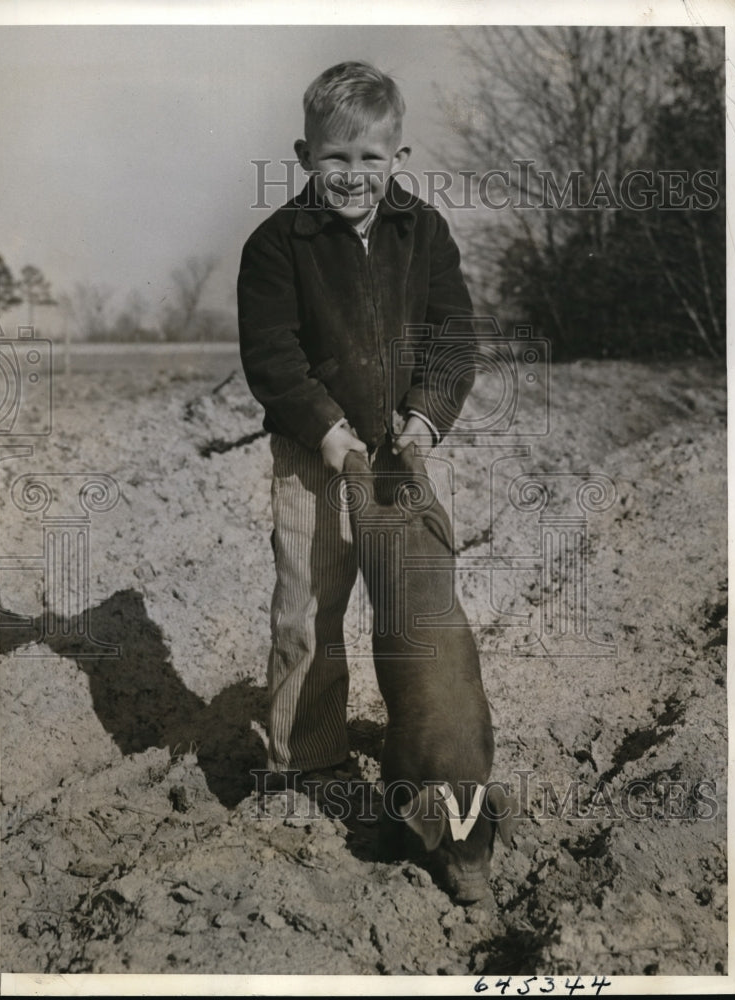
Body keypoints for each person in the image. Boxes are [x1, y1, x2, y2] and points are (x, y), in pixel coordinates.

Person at [237, 60, 475, 784]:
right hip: (315, 454)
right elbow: (272, 355)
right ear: (305, 156)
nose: (350, 174)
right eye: (334, 157)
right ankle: (305, 760)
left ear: (397, 159)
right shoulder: (278, 245)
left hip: (403, 449)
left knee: (417, 606)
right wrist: (328, 431)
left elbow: (452, 336)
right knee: (307, 609)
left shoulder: (423, 232)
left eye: (369, 158)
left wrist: (424, 422)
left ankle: (427, 750)